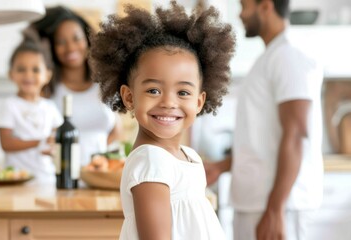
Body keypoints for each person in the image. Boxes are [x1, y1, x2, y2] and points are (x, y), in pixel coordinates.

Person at [90, 1, 235, 239]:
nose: (169, 102)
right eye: (154, 90)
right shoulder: (151, 162)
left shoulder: (189, 157)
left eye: (183, 92)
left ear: (198, 102)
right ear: (129, 97)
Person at [206, 0, 324, 239]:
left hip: (280, 208)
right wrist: (221, 166)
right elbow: (263, 140)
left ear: (265, 6)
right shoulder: (271, 58)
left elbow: (297, 133)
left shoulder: (288, 57)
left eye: (244, 6)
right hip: (259, 205)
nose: (240, 14)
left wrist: (275, 209)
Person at [27, 6, 122, 167]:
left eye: (76, 38)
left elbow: (116, 130)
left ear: (87, 39)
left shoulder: (105, 84)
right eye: (61, 42)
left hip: (97, 173)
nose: (71, 47)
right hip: (57, 177)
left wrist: (95, 159)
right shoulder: (46, 89)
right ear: (52, 48)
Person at [0, 39, 63, 183]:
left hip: (47, 179)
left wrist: (53, 144)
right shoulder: (9, 105)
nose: (28, 75)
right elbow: (6, 143)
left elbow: (58, 136)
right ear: (11, 74)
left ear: (47, 75)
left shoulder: (50, 107)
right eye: (21, 69)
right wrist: (39, 142)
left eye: (35, 69)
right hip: (16, 180)